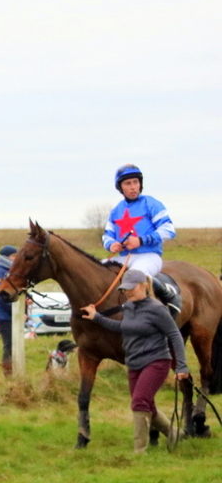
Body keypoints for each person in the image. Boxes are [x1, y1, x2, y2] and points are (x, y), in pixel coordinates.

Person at [81, 269, 190, 452]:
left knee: (139, 402)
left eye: (132, 288)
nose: (128, 292)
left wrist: (181, 366)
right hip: (134, 362)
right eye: (125, 289)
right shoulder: (128, 307)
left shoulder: (157, 309)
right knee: (146, 405)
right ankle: (175, 434)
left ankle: (139, 450)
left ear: (144, 286)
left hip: (156, 361)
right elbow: (122, 326)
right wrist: (97, 318)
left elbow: (174, 335)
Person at [101, 164, 179, 311]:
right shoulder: (116, 211)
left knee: (134, 276)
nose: (133, 187)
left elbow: (169, 230)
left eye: (135, 182)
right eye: (128, 183)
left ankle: (167, 295)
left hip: (149, 256)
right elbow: (107, 235)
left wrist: (141, 240)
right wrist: (111, 245)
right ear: (120, 187)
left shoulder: (151, 203)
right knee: (98, 269)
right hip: (124, 258)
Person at [0, 245, 18, 376]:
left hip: (11, 314)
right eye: (13, 256)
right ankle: (8, 372)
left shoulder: (11, 272)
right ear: (5, 257)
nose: (16, 258)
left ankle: (14, 369)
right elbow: (2, 298)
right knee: (9, 345)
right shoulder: (0, 273)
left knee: (15, 344)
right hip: (4, 315)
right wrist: (16, 313)